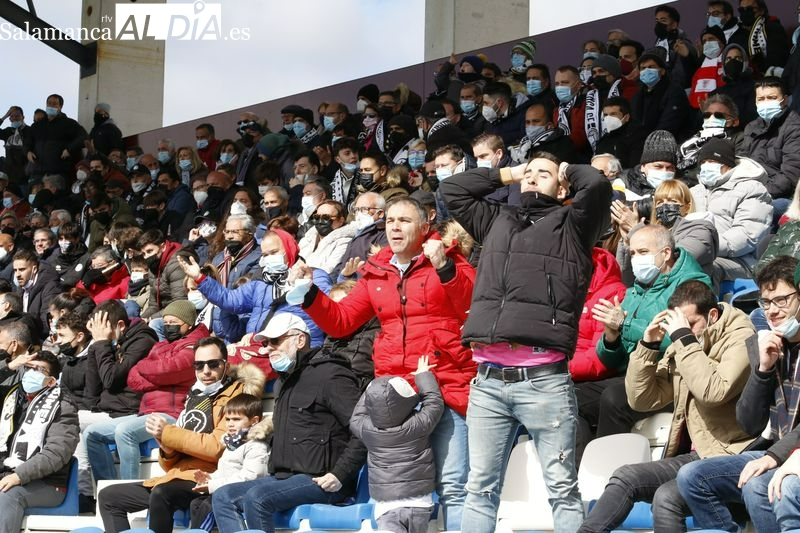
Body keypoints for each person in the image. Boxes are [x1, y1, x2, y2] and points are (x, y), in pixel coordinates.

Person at [439, 154, 612, 533]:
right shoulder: (497, 219)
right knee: (479, 488)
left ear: (563, 187)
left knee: (562, 488)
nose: (532, 178)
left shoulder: (574, 225)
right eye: (528, 173)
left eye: (543, 174)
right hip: (487, 382)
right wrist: (509, 173)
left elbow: (597, 186)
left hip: (544, 381)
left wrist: (563, 167)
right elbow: (451, 190)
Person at [288, 196, 476, 531]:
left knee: (453, 486)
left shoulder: (449, 260)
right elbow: (342, 321)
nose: (394, 227)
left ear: (425, 224)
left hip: (446, 384)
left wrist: (444, 268)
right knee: (390, 494)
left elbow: (472, 308)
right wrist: (309, 294)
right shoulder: (376, 272)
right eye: (390, 220)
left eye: (404, 220)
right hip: (396, 396)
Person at [579, 280, 756, 532]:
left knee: (666, 497)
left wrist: (683, 338)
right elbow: (641, 399)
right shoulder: (683, 342)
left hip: (733, 456)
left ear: (712, 315)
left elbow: (714, 391)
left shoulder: (740, 337)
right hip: (697, 456)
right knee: (624, 477)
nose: (684, 330)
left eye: (690, 324)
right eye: (679, 325)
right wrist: (648, 347)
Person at [676, 255, 800, 532]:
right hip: (773, 450)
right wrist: (763, 371)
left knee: (758, 486)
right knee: (692, 477)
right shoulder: (764, 345)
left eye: (782, 300)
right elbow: (749, 423)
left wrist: (774, 457)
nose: (773, 311)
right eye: (766, 303)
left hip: (790, 453)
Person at [210, 314, 366, 533]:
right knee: (223, 496)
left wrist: (339, 474)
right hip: (283, 478)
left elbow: (365, 431)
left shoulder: (331, 374)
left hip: (323, 479)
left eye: (275, 341)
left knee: (256, 498)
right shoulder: (283, 382)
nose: (268, 349)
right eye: (266, 343)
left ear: (300, 340)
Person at [98, 337, 265, 533]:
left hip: (208, 477)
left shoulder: (238, 399)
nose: (206, 371)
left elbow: (216, 448)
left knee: (162, 493)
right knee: (109, 497)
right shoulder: (195, 395)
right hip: (178, 475)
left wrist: (168, 433)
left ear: (226, 366)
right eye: (199, 365)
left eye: (213, 364)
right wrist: (167, 450)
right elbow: (169, 464)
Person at [350, 355, 444, 533]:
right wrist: (423, 375)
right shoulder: (417, 425)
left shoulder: (366, 430)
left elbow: (356, 416)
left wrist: (372, 391)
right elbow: (434, 402)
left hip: (387, 507)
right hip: (419, 503)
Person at [0, 351, 79, 533]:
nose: (32, 372)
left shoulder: (63, 406)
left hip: (47, 483)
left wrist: (18, 475)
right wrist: (8, 367)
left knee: (7, 496)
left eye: (40, 370)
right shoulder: (13, 400)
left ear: (51, 381)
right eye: (29, 367)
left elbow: (57, 453)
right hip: (8, 474)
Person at [690, 137, 772, 282]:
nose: (706, 166)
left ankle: (703, 305)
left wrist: (707, 246)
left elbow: (747, 235)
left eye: (712, 162)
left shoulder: (752, 189)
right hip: (694, 252)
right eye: (703, 163)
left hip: (740, 261)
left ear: (727, 164)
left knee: (698, 268)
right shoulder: (694, 191)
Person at [188, 393, 272, 528]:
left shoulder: (257, 445)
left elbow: (251, 477)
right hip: (226, 490)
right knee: (196, 503)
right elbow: (226, 471)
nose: (230, 424)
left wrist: (213, 485)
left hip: (244, 493)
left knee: (207, 505)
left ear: (254, 421)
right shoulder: (232, 444)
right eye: (227, 419)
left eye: (236, 419)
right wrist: (209, 478)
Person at [741, 77, 800, 226]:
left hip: (783, 196)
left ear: (785, 100)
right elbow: (740, 163)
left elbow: (790, 176)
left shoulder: (794, 127)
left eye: (772, 98)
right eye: (761, 98)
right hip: (750, 192)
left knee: (756, 213)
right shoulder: (751, 127)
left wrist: (758, 193)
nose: (766, 102)